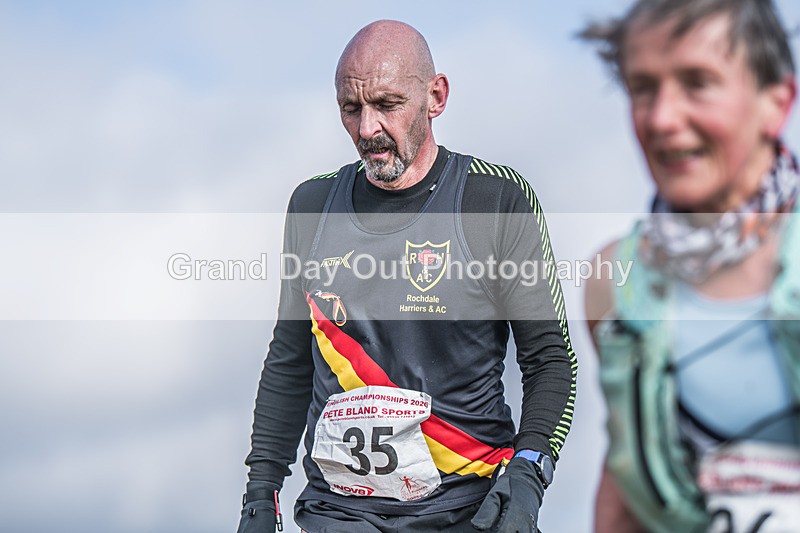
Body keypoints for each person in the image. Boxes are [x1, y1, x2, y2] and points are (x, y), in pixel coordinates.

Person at [235, 20, 577, 533]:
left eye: (388, 105)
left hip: (469, 509)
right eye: (351, 109)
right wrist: (260, 495)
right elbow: (289, 358)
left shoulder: (495, 199)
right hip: (339, 511)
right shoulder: (311, 205)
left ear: (435, 96)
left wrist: (529, 475)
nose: (367, 129)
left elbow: (550, 361)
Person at [581, 1, 800, 532]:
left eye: (698, 82)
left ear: (777, 101)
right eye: (643, 87)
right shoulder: (614, 282)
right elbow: (627, 479)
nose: (662, 119)